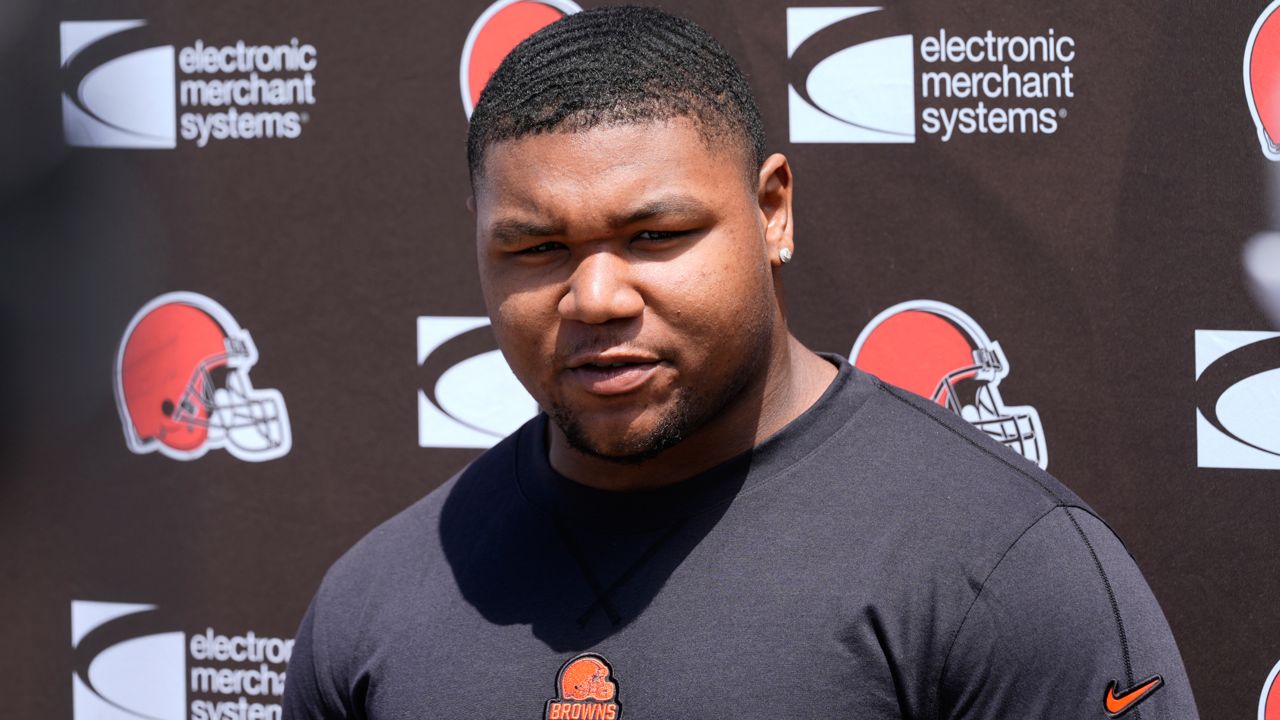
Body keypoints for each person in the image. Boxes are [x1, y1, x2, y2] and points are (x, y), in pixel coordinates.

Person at [282, 6, 1198, 719]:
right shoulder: (378, 601)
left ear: (773, 213)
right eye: (536, 250)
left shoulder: (1002, 571)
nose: (595, 297)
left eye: (655, 234)